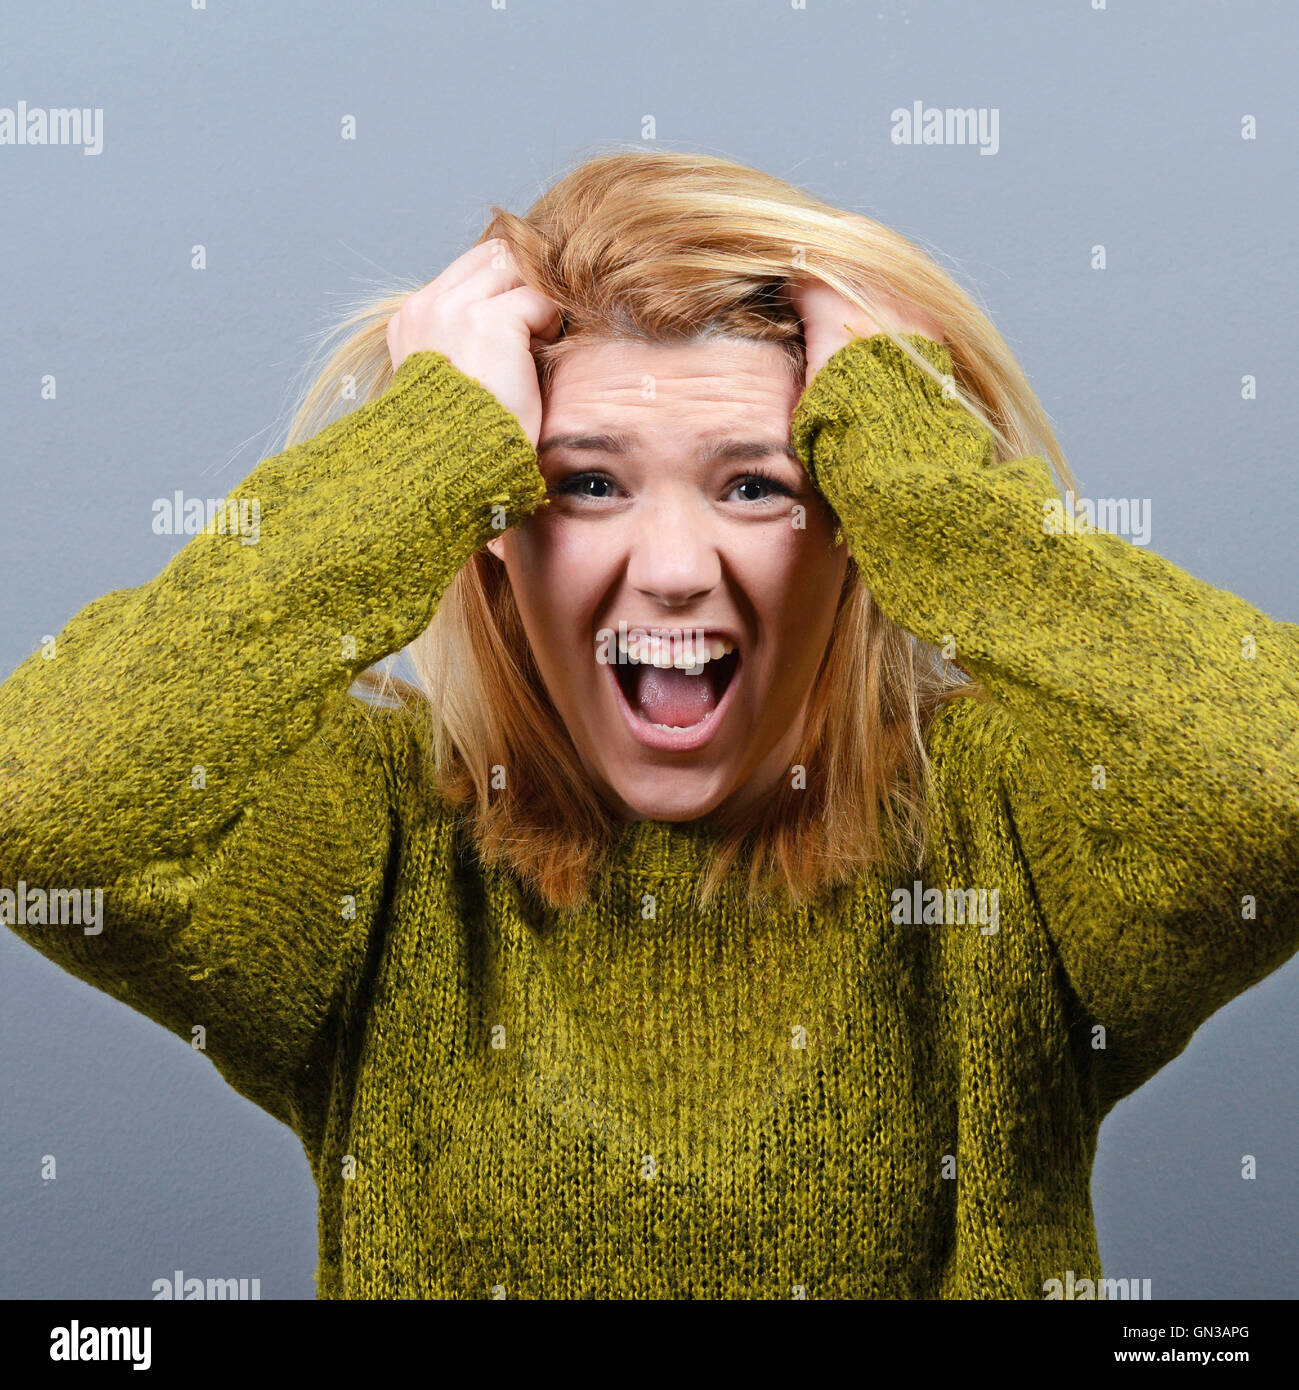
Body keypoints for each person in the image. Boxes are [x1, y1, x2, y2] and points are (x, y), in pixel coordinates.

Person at [2, 149, 1296, 1300]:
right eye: (586, 482)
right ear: (491, 526)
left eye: (756, 483)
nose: (674, 565)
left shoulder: (1013, 823)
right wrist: (416, 456)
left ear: (863, 517)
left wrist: (933, 486)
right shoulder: (371, 840)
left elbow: (1274, 784)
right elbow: (42, 805)